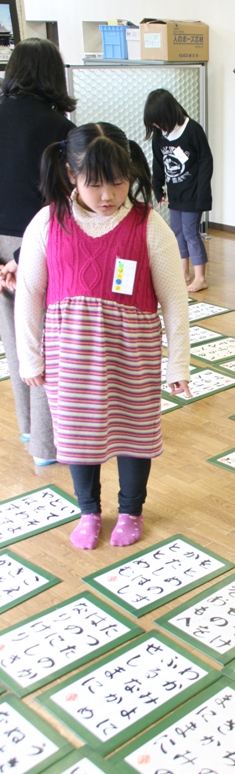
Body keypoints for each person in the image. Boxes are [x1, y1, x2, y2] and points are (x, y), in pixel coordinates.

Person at [14, 122, 191, 550]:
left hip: (132, 356)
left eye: (117, 181)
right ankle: (89, 511)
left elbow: (175, 300)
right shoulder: (47, 223)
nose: (108, 195)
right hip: (69, 360)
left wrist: (178, 363)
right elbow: (29, 295)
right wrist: (30, 357)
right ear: (71, 176)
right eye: (95, 184)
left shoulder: (149, 226)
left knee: (136, 433)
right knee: (77, 435)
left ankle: (131, 509)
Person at [0, 38, 76, 466]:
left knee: (15, 341)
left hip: (1, 245)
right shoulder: (58, 128)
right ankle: (48, 447)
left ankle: (29, 428)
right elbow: (65, 202)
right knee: (48, 343)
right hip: (38, 242)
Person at [144, 89, 213, 293]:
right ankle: (183, 272)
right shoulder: (159, 135)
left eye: (158, 121)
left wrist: (202, 194)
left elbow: (205, 162)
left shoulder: (192, 130)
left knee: (191, 232)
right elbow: (158, 163)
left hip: (193, 193)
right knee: (177, 232)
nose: (156, 126)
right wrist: (158, 189)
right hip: (175, 193)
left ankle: (200, 277)